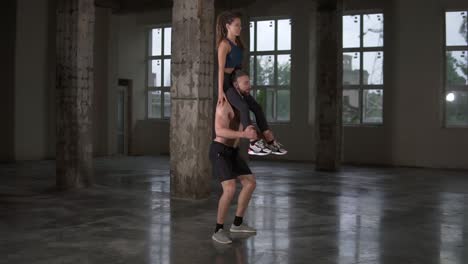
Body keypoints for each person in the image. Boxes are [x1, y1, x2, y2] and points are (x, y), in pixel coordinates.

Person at [216, 11, 287, 156]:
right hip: (227, 83)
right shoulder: (224, 44)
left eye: (240, 26)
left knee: (256, 106)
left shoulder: (238, 43)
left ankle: (269, 139)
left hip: (236, 80)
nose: (239, 28)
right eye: (236, 25)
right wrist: (220, 92)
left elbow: (239, 68)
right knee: (243, 106)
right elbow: (221, 70)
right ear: (227, 26)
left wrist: (243, 83)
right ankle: (254, 143)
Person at [210, 70, 259, 244]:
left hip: (233, 152)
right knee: (230, 188)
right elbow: (220, 131)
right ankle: (218, 229)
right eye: (246, 83)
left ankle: (237, 224)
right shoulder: (224, 104)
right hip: (220, 151)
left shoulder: (243, 104)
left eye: (249, 82)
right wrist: (243, 134)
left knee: (250, 183)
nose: (249, 86)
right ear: (236, 85)